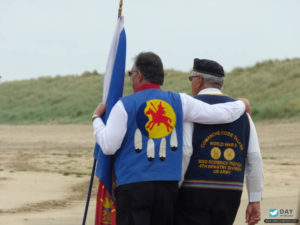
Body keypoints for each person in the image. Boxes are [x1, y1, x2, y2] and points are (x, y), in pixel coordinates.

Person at [92, 52, 250, 225]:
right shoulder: (179, 100)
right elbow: (218, 114)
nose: (130, 79)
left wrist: (96, 120)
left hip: (133, 186)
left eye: (131, 74)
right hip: (167, 188)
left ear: (139, 75)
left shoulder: (123, 105)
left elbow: (108, 145)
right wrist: (242, 104)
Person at [176, 58, 264, 225]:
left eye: (191, 78)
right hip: (231, 191)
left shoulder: (191, 109)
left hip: (194, 190)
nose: (191, 83)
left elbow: (186, 151)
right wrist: (254, 200)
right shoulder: (242, 113)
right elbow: (254, 157)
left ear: (199, 81)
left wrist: (174, 187)